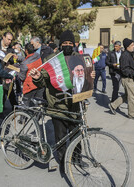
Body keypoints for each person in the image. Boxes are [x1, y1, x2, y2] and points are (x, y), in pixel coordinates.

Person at [29, 30, 95, 173]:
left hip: (75, 104)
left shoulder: (80, 58)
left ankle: (77, 158)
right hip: (57, 104)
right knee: (61, 137)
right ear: (60, 44)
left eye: (70, 43)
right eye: (64, 43)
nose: (67, 45)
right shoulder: (51, 59)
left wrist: (91, 74)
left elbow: (86, 77)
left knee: (76, 133)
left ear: (74, 44)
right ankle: (64, 162)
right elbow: (43, 81)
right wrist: (38, 76)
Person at [108, 38, 134, 120]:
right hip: (127, 79)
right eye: (132, 45)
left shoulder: (129, 54)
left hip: (129, 78)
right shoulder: (125, 55)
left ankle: (113, 105)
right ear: (127, 47)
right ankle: (132, 114)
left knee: (127, 95)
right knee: (132, 97)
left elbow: (129, 66)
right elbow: (124, 69)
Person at [0, 32, 18, 109]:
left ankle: (15, 109)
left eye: (11, 40)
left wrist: (13, 58)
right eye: (8, 39)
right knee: (0, 93)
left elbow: (12, 62)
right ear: (3, 37)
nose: (9, 42)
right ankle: (1, 109)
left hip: (7, 74)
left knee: (10, 92)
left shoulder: (11, 49)